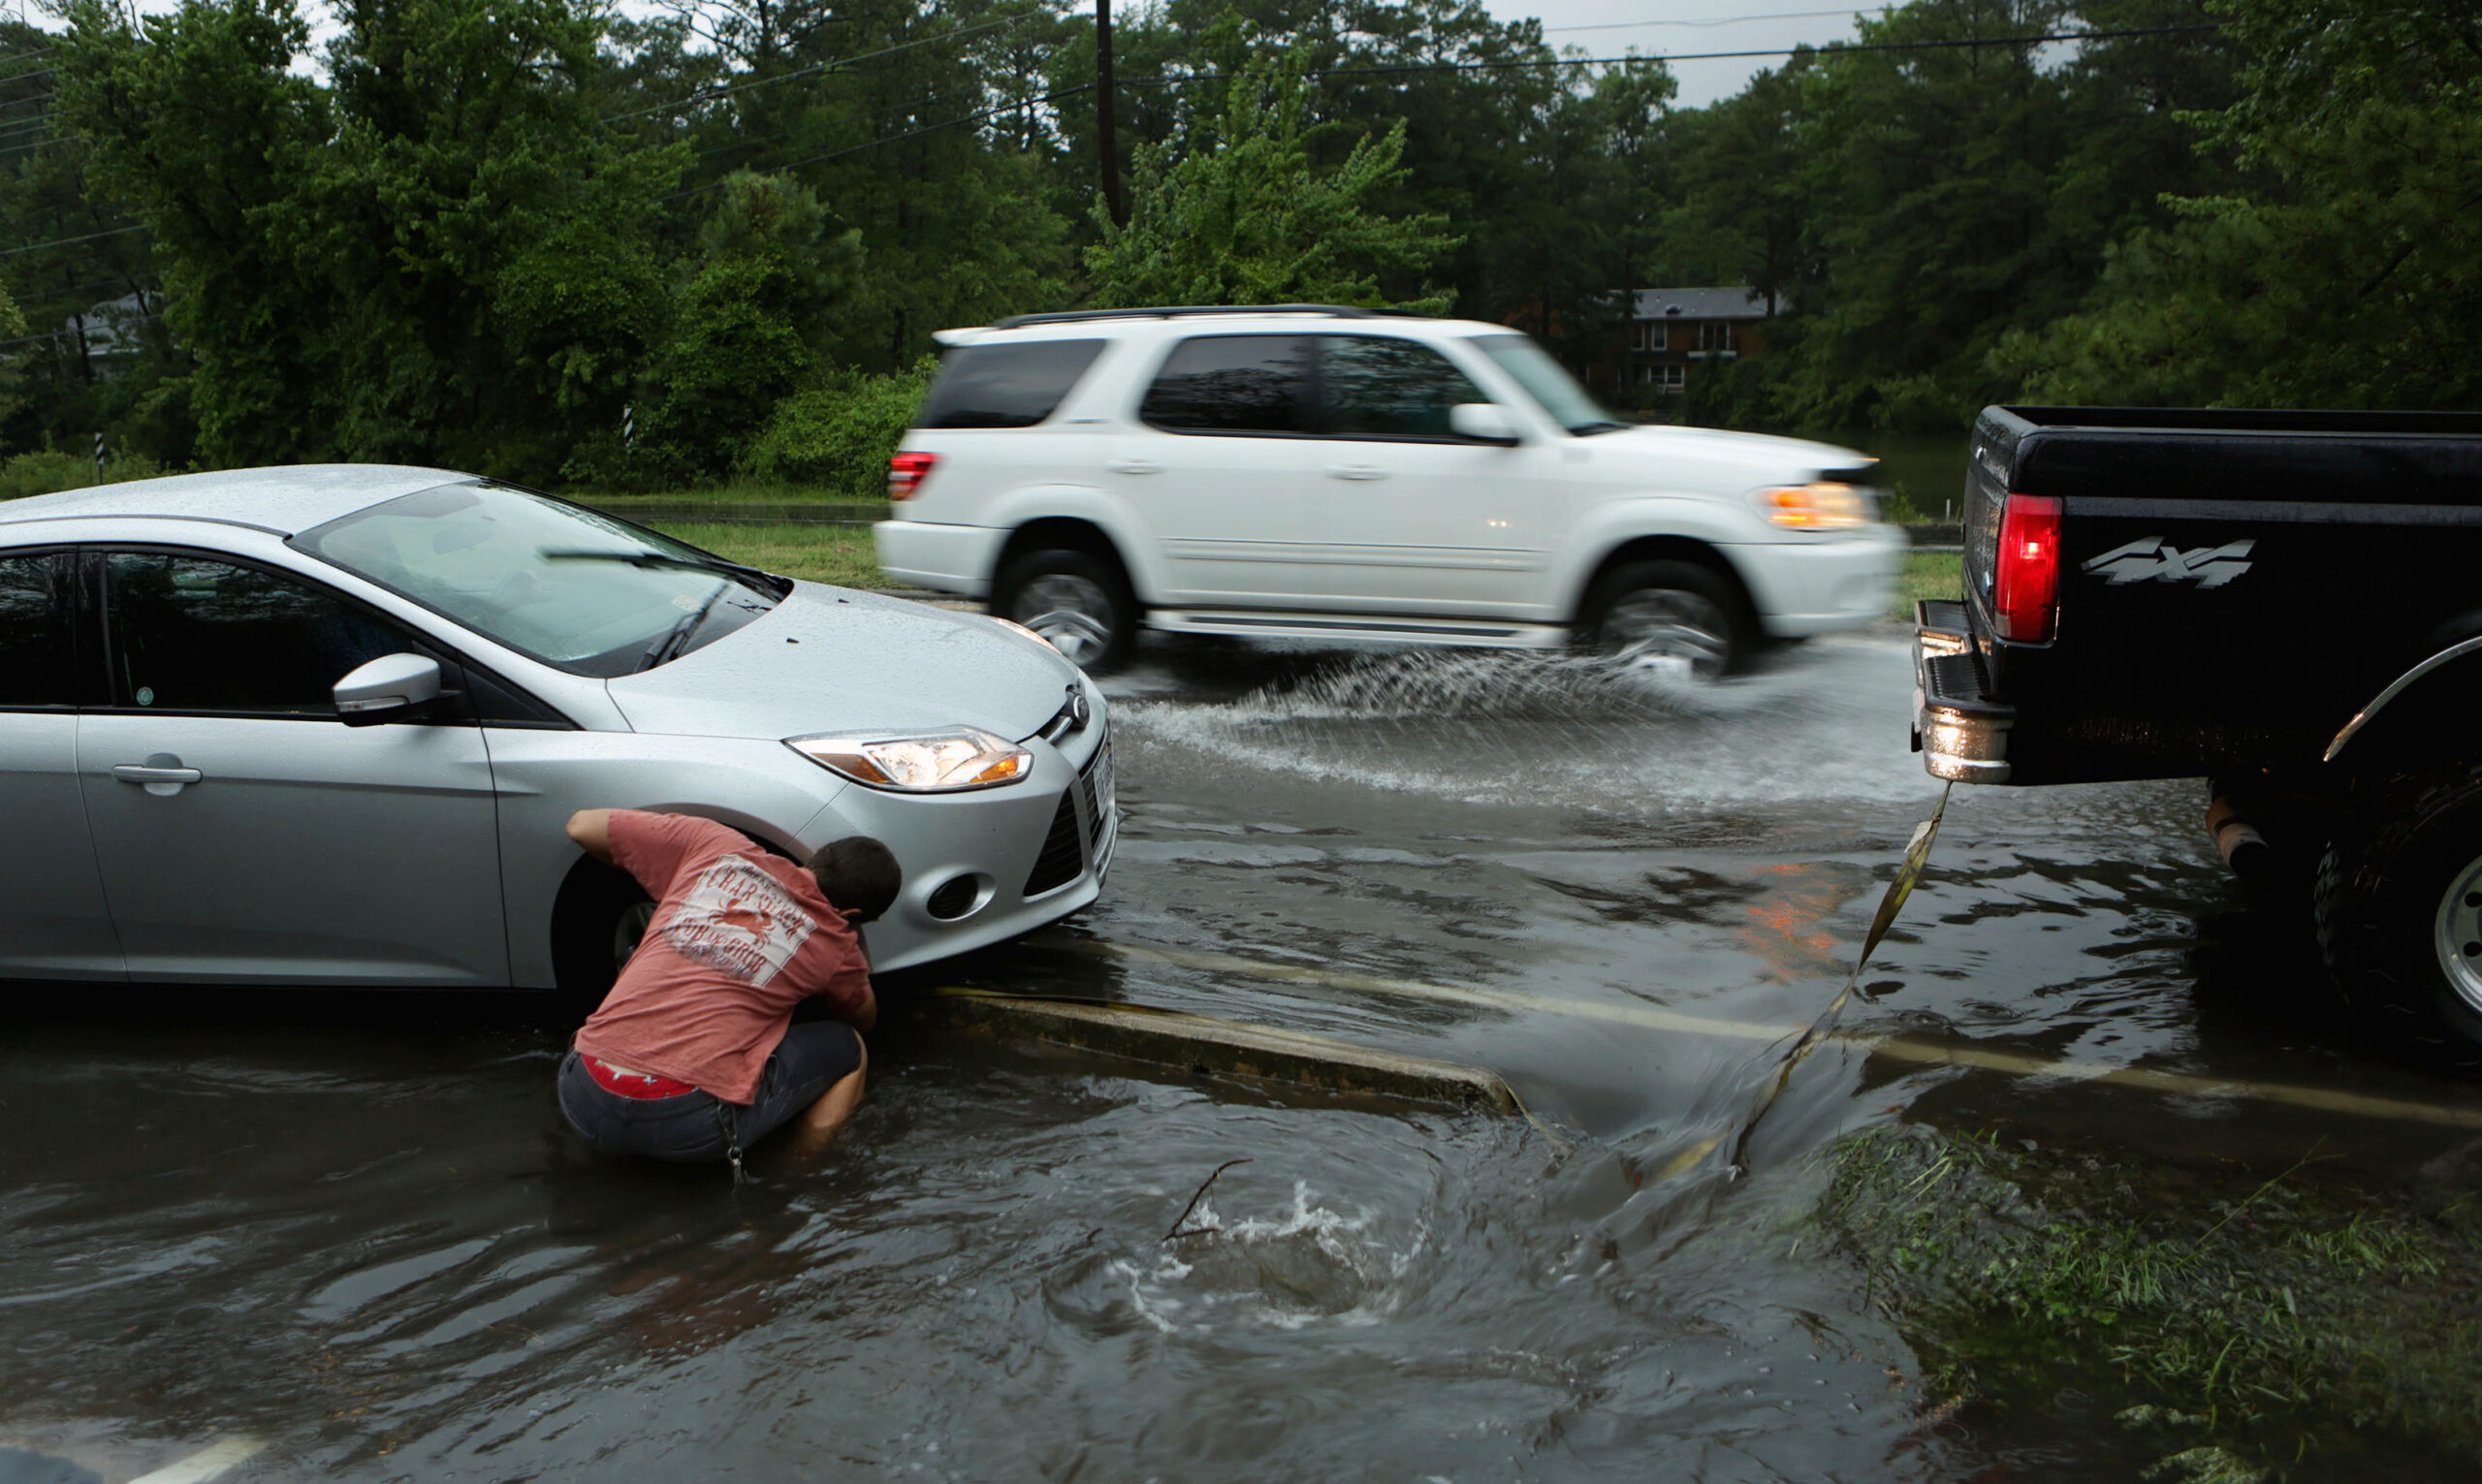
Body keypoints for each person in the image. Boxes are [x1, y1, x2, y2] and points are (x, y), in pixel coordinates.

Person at [555, 808, 900, 1172]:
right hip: (687, 1123)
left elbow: (579, 825)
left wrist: (662, 876)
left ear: (816, 859)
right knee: (850, 1048)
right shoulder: (836, 945)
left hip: (584, 1095)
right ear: (853, 912)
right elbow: (863, 1018)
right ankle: (800, 1171)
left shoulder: (714, 844)